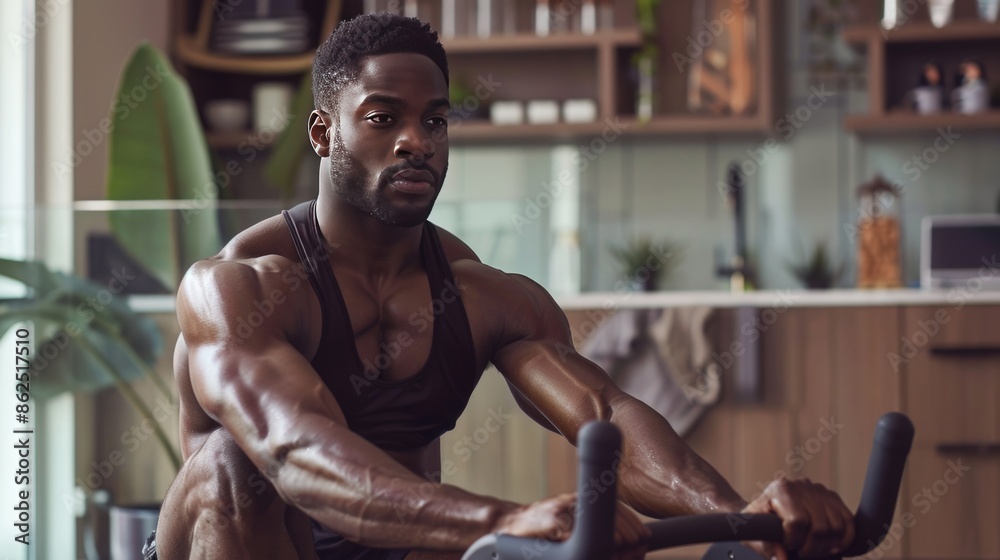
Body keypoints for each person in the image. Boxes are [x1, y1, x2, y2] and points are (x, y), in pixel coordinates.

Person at [149, 13, 855, 560]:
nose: (415, 141)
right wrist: (503, 521)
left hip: (398, 546)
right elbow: (291, 452)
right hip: (251, 542)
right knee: (231, 463)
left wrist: (747, 517)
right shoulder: (241, 287)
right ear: (322, 133)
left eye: (434, 121)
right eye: (382, 118)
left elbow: (605, 413)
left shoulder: (482, 296)